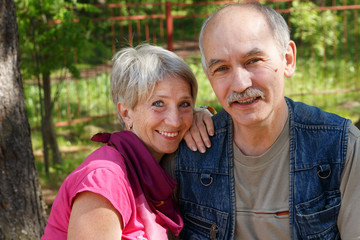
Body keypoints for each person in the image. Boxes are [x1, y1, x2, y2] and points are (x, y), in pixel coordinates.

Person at [171, 2, 360, 239]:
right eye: (221, 68)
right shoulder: (187, 153)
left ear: (287, 59)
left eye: (253, 61)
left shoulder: (341, 147)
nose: (240, 84)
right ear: (209, 77)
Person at [41, 44, 199, 240]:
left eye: (184, 104)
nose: (175, 120)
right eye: (158, 104)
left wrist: (203, 115)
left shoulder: (153, 164)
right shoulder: (105, 180)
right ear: (126, 112)